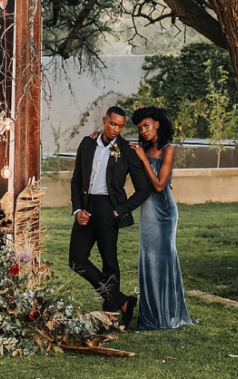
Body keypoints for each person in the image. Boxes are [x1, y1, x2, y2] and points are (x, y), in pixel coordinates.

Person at [69, 106, 151, 328]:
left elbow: (143, 190)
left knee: (109, 263)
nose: (116, 129)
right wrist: (78, 210)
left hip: (109, 209)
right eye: (113, 124)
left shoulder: (127, 151)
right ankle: (122, 301)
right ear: (104, 120)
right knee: (77, 261)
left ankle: (111, 312)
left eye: (121, 126)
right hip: (86, 207)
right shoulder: (87, 144)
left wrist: (119, 210)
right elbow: (76, 180)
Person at [130, 106, 194, 331]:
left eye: (146, 126)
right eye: (140, 128)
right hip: (147, 212)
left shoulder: (168, 150)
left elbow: (158, 185)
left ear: (157, 124)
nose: (143, 131)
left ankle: (169, 316)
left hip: (164, 213)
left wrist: (142, 158)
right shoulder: (143, 149)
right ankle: (150, 315)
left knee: (163, 261)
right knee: (147, 260)